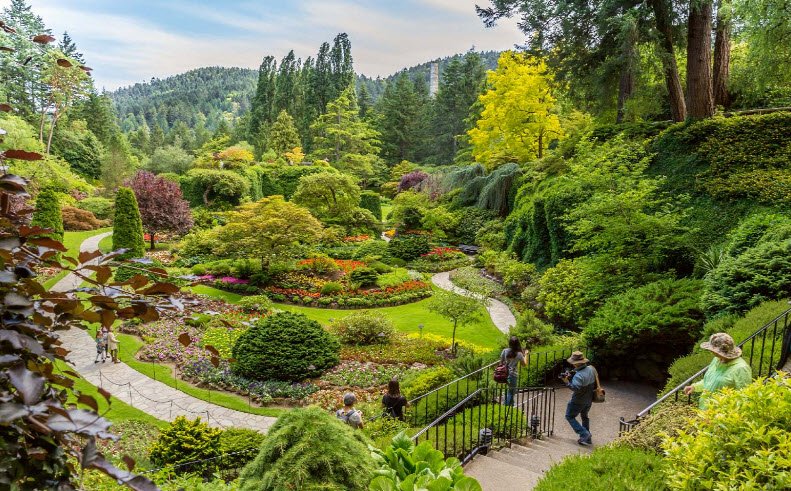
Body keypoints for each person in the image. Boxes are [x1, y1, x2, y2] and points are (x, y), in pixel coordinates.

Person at [683, 332, 752, 409]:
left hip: (723, 416)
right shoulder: (717, 360)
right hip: (705, 412)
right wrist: (695, 387)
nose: (711, 351)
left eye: (713, 350)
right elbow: (710, 381)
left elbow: (744, 397)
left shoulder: (741, 368)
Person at [562, 351, 596, 446]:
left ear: (576, 363)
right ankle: (587, 438)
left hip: (578, 401)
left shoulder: (579, 375)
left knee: (569, 416)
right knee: (584, 416)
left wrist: (566, 381)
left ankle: (584, 434)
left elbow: (575, 388)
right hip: (588, 400)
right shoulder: (590, 369)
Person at [501, 336, 528, 406]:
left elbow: (501, 362)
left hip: (505, 374)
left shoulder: (505, 351)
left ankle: (511, 405)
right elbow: (524, 364)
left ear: (509, 343)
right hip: (513, 375)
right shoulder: (519, 354)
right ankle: (505, 407)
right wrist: (526, 355)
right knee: (511, 391)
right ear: (518, 344)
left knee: (510, 390)